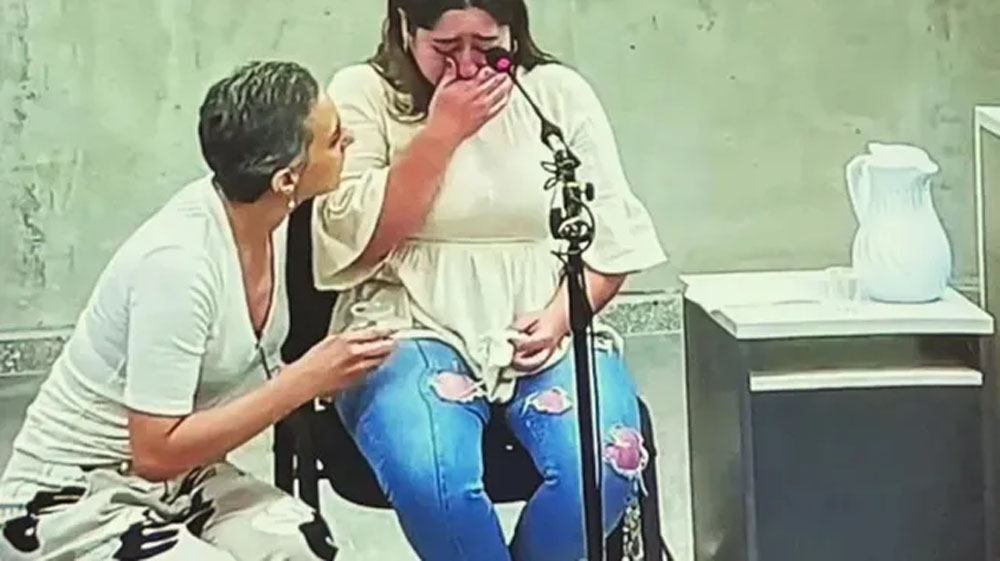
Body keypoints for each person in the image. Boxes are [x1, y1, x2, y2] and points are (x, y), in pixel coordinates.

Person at [311, 1, 668, 559]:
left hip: (542, 325)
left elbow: (611, 243)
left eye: (486, 46)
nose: (468, 66)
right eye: (445, 48)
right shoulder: (364, 93)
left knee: (608, 462)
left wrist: (558, 319)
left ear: (513, 32)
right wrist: (441, 134)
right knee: (434, 474)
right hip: (408, 324)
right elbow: (357, 240)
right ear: (406, 28)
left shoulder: (556, 95)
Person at [0, 61, 396, 560]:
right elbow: (155, 452)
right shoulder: (178, 265)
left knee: (301, 543)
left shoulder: (275, 220)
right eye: (335, 138)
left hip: (184, 478)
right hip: (76, 492)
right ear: (286, 178)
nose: (350, 140)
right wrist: (304, 380)